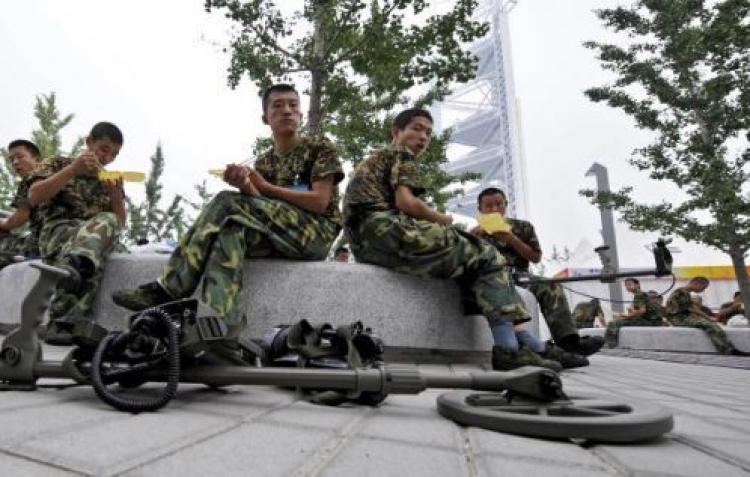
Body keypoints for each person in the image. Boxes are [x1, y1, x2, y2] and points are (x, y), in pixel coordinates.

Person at [113, 84, 344, 350]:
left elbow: (319, 201)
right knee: (231, 230)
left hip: (315, 234)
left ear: (301, 114)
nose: (287, 111)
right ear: (265, 117)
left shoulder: (319, 147)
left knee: (226, 202)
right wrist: (245, 186)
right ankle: (220, 328)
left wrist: (261, 188)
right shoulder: (266, 162)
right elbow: (260, 206)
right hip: (280, 233)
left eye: (293, 105)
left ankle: (169, 288)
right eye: (278, 105)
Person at [343, 107, 572, 371]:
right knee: (487, 254)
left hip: (366, 244)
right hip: (386, 230)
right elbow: (406, 202)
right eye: (416, 129)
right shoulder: (401, 153)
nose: (423, 137)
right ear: (396, 132)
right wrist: (442, 218)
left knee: (473, 264)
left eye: (428, 133)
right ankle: (513, 348)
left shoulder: (377, 160)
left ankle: (532, 345)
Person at [470, 187, 604, 365]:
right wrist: (475, 235)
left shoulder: (523, 227)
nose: (495, 209)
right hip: (492, 277)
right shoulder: (475, 233)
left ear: (506, 205)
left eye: (499, 204)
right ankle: (529, 348)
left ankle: (569, 342)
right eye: (489, 206)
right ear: (480, 209)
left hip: (520, 275)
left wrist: (511, 238)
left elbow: (535, 257)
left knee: (550, 285)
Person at [26, 123, 126, 345]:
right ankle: (65, 314)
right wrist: (72, 170)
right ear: (88, 141)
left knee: (104, 230)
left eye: (114, 154)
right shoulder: (58, 163)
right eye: (103, 149)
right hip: (59, 233)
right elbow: (33, 196)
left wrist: (116, 196)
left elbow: (119, 223)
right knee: (92, 249)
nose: (108, 157)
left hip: (92, 239)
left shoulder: (109, 179)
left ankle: (64, 321)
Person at [665, 277, 746, 355]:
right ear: (697, 284)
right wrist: (709, 319)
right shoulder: (682, 292)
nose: (703, 290)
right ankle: (727, 349)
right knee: (709, 325)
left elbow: (692, 308)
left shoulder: (683, 292)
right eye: (703, 287)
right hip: (678, 318)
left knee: (710, 323)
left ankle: (729, 348)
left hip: (681, 317)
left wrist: (708, 318)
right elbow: (693, 309)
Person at [0, 139, 42, 270]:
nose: (15, 162)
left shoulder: (33, 179)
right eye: (12, 159)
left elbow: (20, 218)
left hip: (41, 242)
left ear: (36, 158)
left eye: (20, 156)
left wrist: (2, 223)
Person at [605, 278, 663, 348]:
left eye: (629, 284)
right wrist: (631, 313)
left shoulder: (639, 294)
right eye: (626, 285)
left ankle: (610, 344)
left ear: (637, 285)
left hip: (649, 322)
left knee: (613, 323)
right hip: (656, 321)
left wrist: (628, 317)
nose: (627, 287)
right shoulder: (644, 294)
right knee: (620, 320)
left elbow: (642, 311)